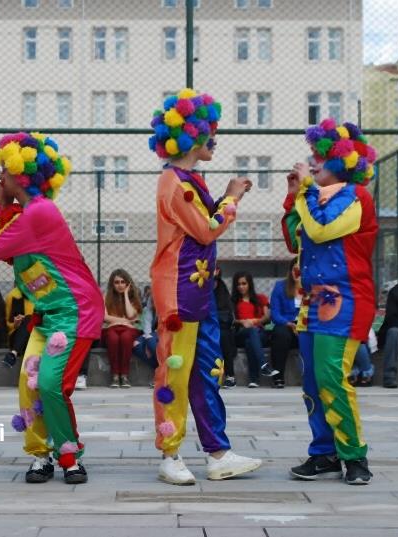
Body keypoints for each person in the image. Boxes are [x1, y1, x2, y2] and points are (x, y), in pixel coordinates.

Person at [148, 88, 261, 485]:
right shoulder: (175, 184)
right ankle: (171, 453)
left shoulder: (189, 179)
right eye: (210, 133)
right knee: (175, 373)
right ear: (192, 136)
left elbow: (205, 222)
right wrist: (231, 199)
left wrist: (224, 200)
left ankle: (217, 451)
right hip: (179, 293)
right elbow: (207, 229)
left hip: (199, 291)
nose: (214, 139)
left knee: (207, 370)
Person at [0, 131, 103, 485]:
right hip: (48, 315)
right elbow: (4, 252)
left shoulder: (39, 213)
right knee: (27, 381)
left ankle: (68, 453)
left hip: (75, 311)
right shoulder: (26, 213)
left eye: (4, 169)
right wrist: (2, 209)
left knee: (51, 383)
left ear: (20, 174)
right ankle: (41, 455)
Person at [282, 117, 378, 485]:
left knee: (331, 377)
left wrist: (305, 190)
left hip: (346, 300)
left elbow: (322, 229)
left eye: (318, 156)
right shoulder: (314, 197)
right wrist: (294, 196)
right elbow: (297, 240)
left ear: (342, 160)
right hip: (312, 302)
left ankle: (354, 456)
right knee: (312, 382)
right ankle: (324, 453)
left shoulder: (356, 197)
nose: (312, 161)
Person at [231, 271, 278, 387]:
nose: (241, 287)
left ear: (249, 284)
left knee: (251, 340)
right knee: (251, 333)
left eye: (244, 283)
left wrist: (254, 321)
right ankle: (263, 365)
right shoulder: (233, 301)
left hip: (259, 332)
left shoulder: (260, 298)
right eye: (238, 284)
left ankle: (254, 380)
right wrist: (242, 321)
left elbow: (267, 317)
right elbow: (230, 319)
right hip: (241, 332)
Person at [103, 269, 143, 388]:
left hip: (129, 331)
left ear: (127, 283)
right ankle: (115, 375)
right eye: (116, 282)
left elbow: (131, 314)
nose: (120, 285)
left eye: (122, 282)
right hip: (111, 329)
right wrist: (125, 321)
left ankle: (124, 375)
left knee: (126, 337)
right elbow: (105, 317)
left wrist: (126, 294)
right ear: (112, 284)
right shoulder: (106, 297)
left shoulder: (134, 298)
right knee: (113, 338)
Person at [269, 261, 302, 389]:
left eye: (300, 270)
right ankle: (278, 377)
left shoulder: (311, 287)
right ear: (290, 271)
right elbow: (275, 314)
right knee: (280, 333)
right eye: (294, 269)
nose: (297, 273)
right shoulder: (280, 287)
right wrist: (289, 324)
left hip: (305, 325)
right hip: (286, 325)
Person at [213, 268, 237, 388]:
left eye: (215, 281)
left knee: (224, 335)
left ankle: (230, 376)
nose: (213, 284)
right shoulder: (200, 293)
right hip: (204, 327)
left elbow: (228, 317)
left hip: (221, 328)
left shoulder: (223, 294)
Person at [132, 285, 158, 387]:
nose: (154, 302)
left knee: (152, 343)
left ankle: (159, 375)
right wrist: (147, 340)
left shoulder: (168, 308)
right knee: (136, 344)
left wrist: (149, 340)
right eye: (153, 299)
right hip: (151, 334)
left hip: (165, 334)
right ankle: (159, 369)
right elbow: (147, 329)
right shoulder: (148, 309)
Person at [3, 286, 34, 369]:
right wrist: (15, 324)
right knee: (28, 319)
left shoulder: (43, 294)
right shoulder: (13, 296)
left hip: (36, 333)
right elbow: (7, 323)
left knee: (29, 318)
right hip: (17, 335)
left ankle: (13, 353)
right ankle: (14, 351)